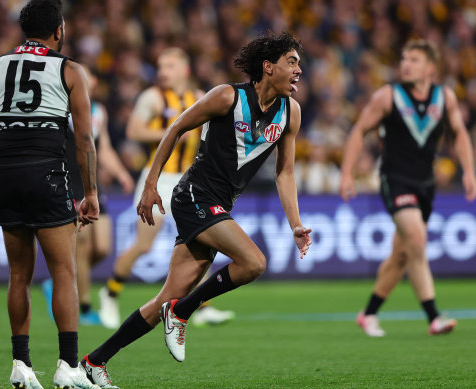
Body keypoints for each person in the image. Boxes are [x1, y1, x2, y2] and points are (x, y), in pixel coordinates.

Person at [78, 32, 312, 388]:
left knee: (165, 296)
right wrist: (150, 184)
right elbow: (175, 128)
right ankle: (183, 312)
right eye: (291, 62)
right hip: (193, 196)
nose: (298, 69)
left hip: (218, 204)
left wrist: (295, 223)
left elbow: (286, 172)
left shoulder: (290, 113)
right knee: (254, 263)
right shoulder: (227, 96)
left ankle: (93, 363)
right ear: (268, 67)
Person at [0, 1, 101, 388]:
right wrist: (89, 191)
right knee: (64, 273)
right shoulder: (69, 69)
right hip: (48, 174)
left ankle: (21, 365)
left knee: (18, 275)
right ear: (58, 30)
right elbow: (85, 139)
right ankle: (68, 367)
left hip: (7, 175)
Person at [339, 39, 476, 337]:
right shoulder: (388, 96)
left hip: (426, 185)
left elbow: (460, 134)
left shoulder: (445, 98)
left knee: (402, 255)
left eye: (413, 60)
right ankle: (434, 316)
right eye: (404, 59)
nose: (405, 64)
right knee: (416, 239)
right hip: (395, 179)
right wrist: (347, 173)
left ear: (430, 68)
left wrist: (469, 171)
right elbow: (359, 131)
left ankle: (369, 314)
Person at [98, 47, 234, 329]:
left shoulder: (199, 97)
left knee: (203, 241)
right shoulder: (152, 97)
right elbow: (134, 131)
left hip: (189, 181)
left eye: (169, 66)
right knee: (144, 245)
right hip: (157, 178)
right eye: (160, 66)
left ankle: (203, 306)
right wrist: (173, 131)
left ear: (184, 70)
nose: (162, 72)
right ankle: (110, 293)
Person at [42, 66, 135, 327]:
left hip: (92, 182)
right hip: (70, 181)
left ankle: (59, 281)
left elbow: (102, 148)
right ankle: (83, 306)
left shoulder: (99, 111)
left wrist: (121, 173)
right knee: (81, 246)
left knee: (102, 247)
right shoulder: (62, 107)